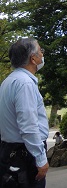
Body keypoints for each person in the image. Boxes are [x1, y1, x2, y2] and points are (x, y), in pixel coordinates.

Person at [0, 38, 49, 187]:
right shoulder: (25, 84)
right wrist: (41, 159)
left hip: (9, 150)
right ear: (33, 59)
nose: (42, 54)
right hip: (25, 153)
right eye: (40, 51)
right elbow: (28, 126)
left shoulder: (9, 81)